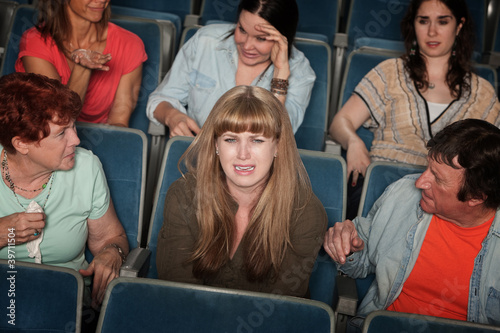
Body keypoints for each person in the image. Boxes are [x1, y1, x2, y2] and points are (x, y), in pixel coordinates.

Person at [329, 0, 500, 219]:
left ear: (459, 26)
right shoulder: (389, 72)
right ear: (414, 25)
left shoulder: (482, 92)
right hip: (384, 186)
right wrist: (353, 142)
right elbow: (340, 123)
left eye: (442, 21)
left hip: (452, 200)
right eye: (423, 21)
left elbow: (493, 156)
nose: (431, 31)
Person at [324, 119, 500, 330]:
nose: (420, 182)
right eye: (428, 168)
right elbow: (361, 262)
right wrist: (348, 246)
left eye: (437, 178)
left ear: (476, 197)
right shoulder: (402, 193)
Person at [156, 86, 327, 297]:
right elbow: (176, 295)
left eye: (257, 140)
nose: (243, 154)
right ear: (216, 144)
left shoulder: (305, 213)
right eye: (231, 139)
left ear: (278, 146)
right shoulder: (184, 195)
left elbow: (280, 309)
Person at [0, 73, 129, 314]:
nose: (76, 140)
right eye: (61, 133)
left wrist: (113, 252)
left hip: (67, 304)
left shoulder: (86, 167)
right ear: (21, 144)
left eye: (73, 126)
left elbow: (111, 238)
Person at [147, 0, 315, 137]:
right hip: (196, 157)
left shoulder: (301, 72)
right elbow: (160, 99)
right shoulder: (206, 41)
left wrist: (280, 75)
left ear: (284, 38)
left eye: (261, 38)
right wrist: (172, 116)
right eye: (242, 29)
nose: (247, 45)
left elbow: (277, 136)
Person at [15, 0, 147, 127]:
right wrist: (82, 68)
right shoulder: (35, 41)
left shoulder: (130, 44)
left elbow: (118, 123)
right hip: (46, 140)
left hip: (101, 142)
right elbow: (58, 118)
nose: (102, 0)